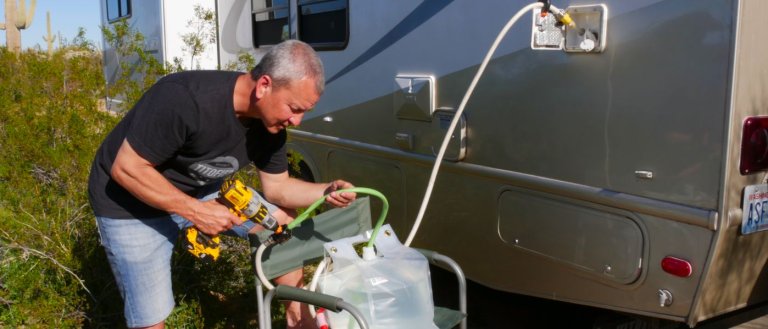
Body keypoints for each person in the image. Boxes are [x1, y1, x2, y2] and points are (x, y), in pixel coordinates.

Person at [87, 40, 356, 329]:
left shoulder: (270, 125)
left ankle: (297, 317)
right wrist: (196, 211)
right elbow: (126, 167)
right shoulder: (185, 99)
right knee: (151, 320)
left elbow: (278, 189)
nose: (297, 120)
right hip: (128, 202)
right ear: (264, 85)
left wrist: (326, 191)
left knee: (282, 222)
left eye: (303, 111)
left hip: (197, 190)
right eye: (294, 108)